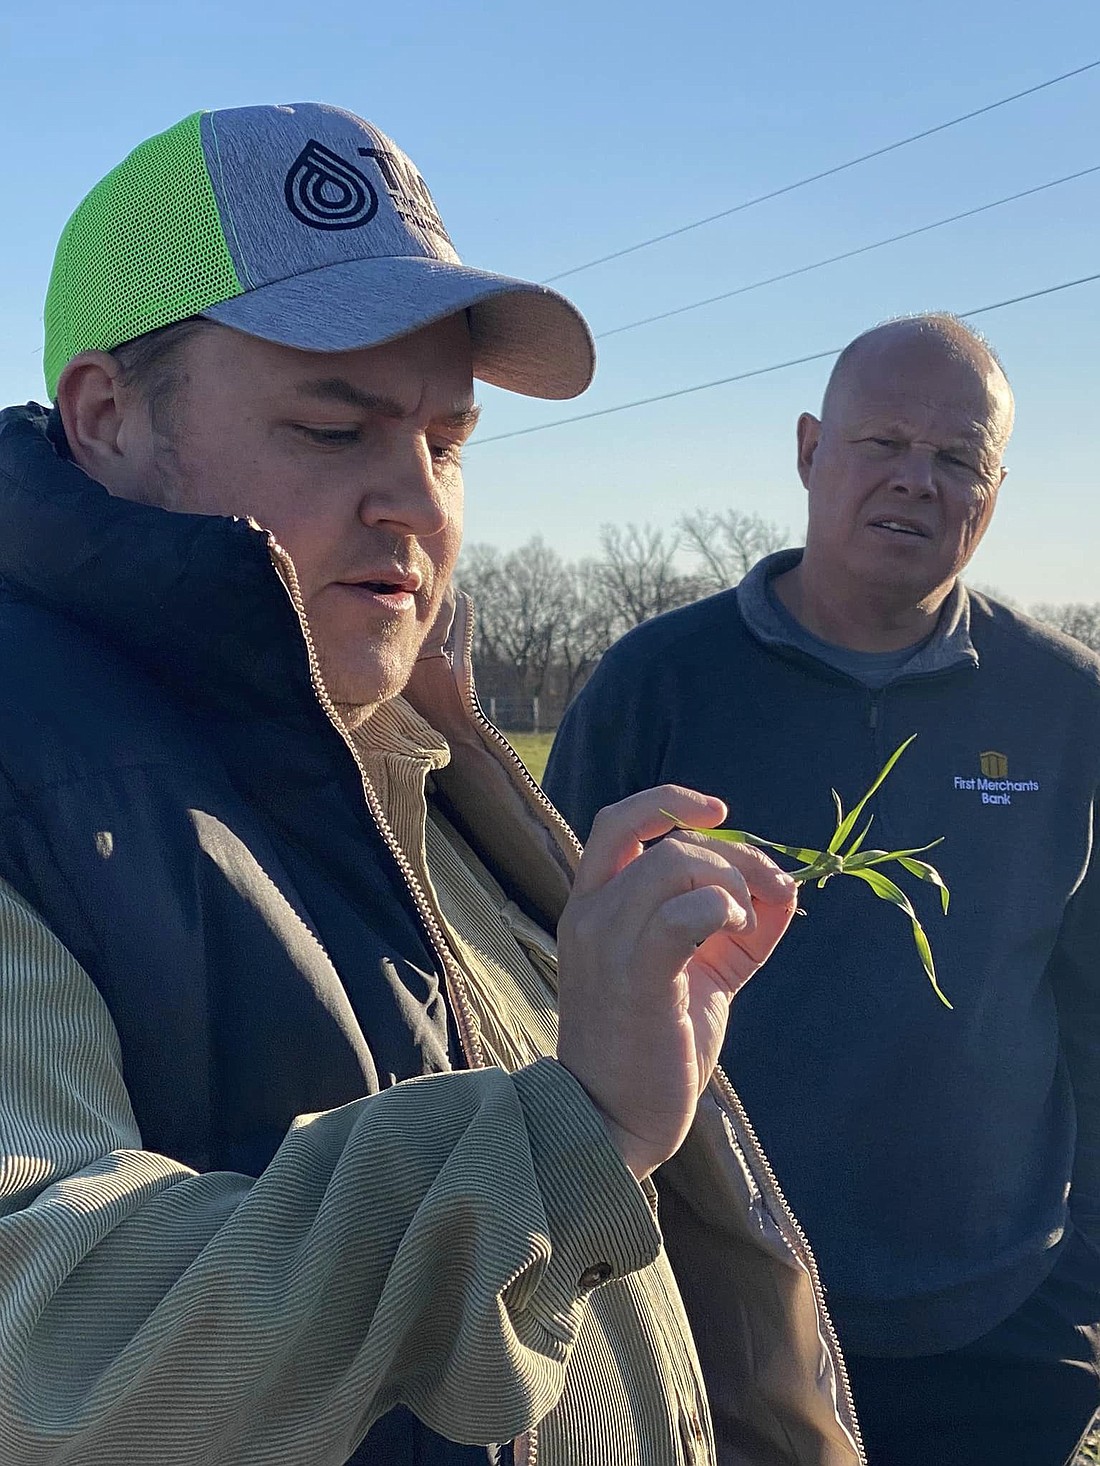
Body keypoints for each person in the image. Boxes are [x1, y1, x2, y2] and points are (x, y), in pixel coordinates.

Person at [0, 103, 867, 1466]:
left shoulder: (409, 741)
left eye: (448, 440)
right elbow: (52, 1355)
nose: (418, 498)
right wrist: (564, 1129)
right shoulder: (31, 774)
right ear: (108, 419)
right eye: (336, 426)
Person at [545, 314, 1100, 1466]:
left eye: (958, 459)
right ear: (807, 449)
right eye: (882, 440)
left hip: (997, 1327)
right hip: (705, 1307)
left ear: (992, 494)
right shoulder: (656, 683)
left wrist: (1077, 1288)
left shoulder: (1066, 705)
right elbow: (538, 969)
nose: (916, 478)